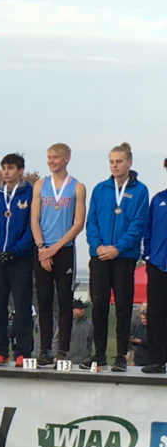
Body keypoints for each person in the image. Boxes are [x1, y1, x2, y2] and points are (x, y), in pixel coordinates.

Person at [83, 142, 149, 371]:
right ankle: (98, 354)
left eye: (119, 161)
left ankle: (121, 355)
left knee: (122, 307)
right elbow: (91, 222)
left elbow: (138, 223)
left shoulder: (140, 191)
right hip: (100, 256)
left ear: (129, 163)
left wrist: (118, 248)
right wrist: (97, 245)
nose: (114, 165)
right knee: (99, 306)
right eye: (111, 161)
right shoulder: (100, 189)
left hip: (124, 257)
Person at [31, 143, 86, 366]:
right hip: (43, 249)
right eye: (48, 157)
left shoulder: (77, 187)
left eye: (55, 157)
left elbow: (78, 223)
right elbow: (34, 219)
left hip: (64, 250)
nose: (51, 161)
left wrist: (55, 248)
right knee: (43, 300)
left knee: (64, 301)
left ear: (66, 159)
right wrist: (42, 248)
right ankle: (44, 349)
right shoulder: (40, 185)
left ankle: (62, 350)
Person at [0, 153, 34, 366]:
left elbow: (32, 227)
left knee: (22, 306)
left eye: (11, 168)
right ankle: (0, 350)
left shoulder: (29, 194)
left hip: (20, 258)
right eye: (4, 167)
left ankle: (22, 351)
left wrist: (15, 250)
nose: (6, 171)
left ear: (20, 171)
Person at [142, 159, 167, 374]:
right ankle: (157, 359)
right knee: (156, 314)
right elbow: (148, 229)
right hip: (158, 265)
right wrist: (148, 254)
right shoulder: (158, 199)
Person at [64, 299, 93, 364]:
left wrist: (88, 355)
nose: (82, 310)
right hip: (67, 361)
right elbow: (57, 340)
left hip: (83, 361)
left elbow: (90, 342)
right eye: (79, 308)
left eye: (83, 308)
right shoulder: (65, 322)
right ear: (73, 309)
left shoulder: (88, 324)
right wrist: (56, 355)